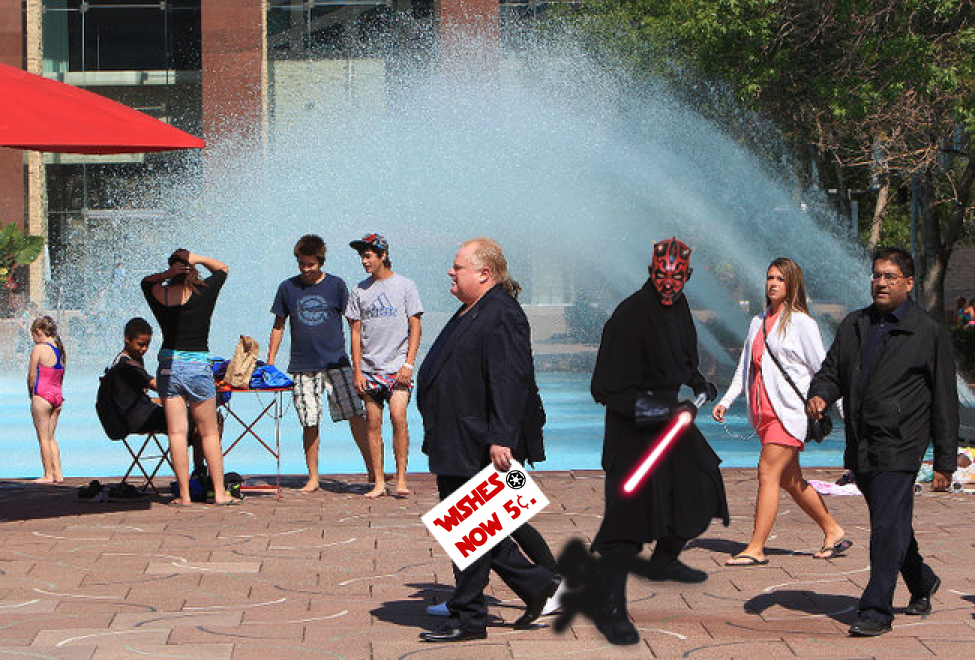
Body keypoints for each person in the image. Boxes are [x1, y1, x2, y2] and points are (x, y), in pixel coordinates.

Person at [807, 247, 958, 637]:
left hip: (901, 443)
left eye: (890, 277)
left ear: (909, 283)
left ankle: (876, 610)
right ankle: (922, 581)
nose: (881, 282)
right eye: (876, 275)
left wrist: (945, 460)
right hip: (862, 444)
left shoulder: (928, 332)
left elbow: (944, 399)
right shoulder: (855, 324)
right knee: (891, 525)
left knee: (886, 526)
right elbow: (831, 372)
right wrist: (821, 394)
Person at [416, 237, 560, 643]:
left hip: (476, 440)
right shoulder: (474, 309)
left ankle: (469, 616)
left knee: (469, 530)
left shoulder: (500, 313)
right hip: (456, 436)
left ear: (484, 273)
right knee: (472, 529)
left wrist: (501, 437)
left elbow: (509, 378)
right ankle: (537, 587)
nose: (450, 271)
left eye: (458, 266)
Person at [589, 237, 728, 646]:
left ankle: (666, 556)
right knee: (624, 525)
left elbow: (681, 355)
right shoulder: (629, 316)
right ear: (652, 273)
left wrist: (697, 380)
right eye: (662, 277)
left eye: (677, 278)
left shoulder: (679, 307)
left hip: (672, 424)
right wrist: (663, 412)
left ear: (687, 276)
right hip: (632, 431)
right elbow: (604, 389)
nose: (669, 285)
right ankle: (612, 610)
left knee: (703, 483)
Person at [712, 258, 850, 566]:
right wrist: (727, 400)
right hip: (763, 414)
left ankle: (756, 547)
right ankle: (833, 529)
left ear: (792, 285)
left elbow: (824, 370)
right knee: (790, 480)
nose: (773, 283)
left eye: (780, 279)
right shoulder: (757, 321)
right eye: (770, 277)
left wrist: (845, 412)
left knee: (767, 471)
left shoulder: (802, 322)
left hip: (790, 414)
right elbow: (746, 367)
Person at [267, 234, 370, 492]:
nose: (306, 270)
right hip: (303, 365)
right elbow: (278, 325)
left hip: (337, 362)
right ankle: (313, 476)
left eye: (311, 265)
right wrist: (270, 362)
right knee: (309, 420)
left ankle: (373, 469)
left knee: (356, 414)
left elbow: (353, 323)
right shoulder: (287, 288)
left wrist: (362, 359)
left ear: (320, 262)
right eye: (302, 264)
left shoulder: (336, 285)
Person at [141, 249, 234, 507]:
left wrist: (167, 274)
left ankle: (183, 495)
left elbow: (146, 282)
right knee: (209, 433)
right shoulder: (204, 291)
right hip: (197, 366)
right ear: (191, 268)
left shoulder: (159, 293)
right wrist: (200, 258)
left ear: (172, 270)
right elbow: (223, 268)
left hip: (169, 365)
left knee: (177, 433)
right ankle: (219, 493)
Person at [347, 233, 423, 498]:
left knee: (398, 417)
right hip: (370, 369)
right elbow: (355, 333)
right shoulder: (359, 290)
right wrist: (356, 370)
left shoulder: (405, 286)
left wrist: (409, 364)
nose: (364, 261)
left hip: (398, 368)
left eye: (368, 256)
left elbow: (415, 327)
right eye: (362, 256)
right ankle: (379, 481)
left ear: (383, 256)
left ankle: (401, 479)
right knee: (373, 422)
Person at [108, 317, 209, 474]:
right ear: (127, 339)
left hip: (137, 413)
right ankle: (199, 471)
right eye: (140, 344)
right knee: (200, 419)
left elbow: (139, 395)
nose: (144, 349)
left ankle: (198, 469)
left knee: (196, 417)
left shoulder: (131, 360)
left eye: (147, 345)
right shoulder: (126, 366)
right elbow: (158, 386)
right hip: (134, 420)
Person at [27, 315, 65, 483]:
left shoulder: (39, 349)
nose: (33, 340)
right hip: (57, 396)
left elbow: (32, 376)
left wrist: (31, 394)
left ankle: (48, 474)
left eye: (33, 335)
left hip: (42, 396)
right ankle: (58, 473)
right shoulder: (59, 348)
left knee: (43, 437)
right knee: (51, 437)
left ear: (39, 332)